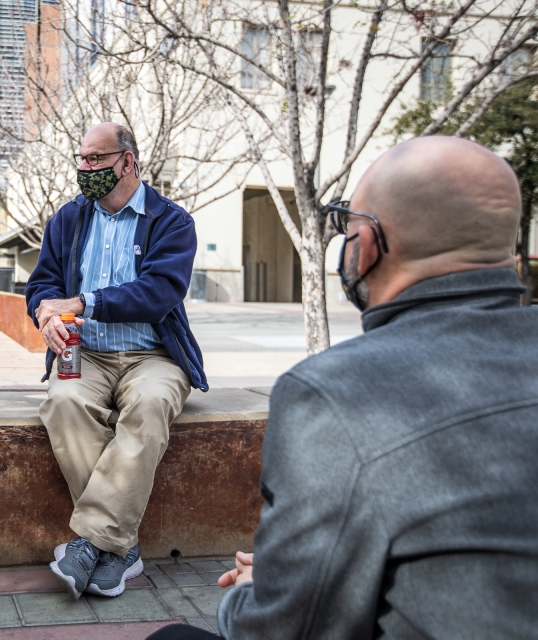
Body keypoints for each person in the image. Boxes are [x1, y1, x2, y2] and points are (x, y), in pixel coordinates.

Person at [148, 136, 538, 640]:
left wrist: (252, 586)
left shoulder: (334, 393)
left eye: (348, 225)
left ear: (370, 243)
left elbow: (281, 630)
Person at [25, 122, 208, 600]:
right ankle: (121, 548)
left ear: (128, 161)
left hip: (154, 354)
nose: (85, 170)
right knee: (63, 401)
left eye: (96, 160)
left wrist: (84, 302)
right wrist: (46, 315)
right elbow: (42, 285)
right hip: (85, 355)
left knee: (149, 405)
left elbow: (159, 293)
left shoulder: (171, 221)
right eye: (81, 160)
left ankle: (93, 542)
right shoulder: (68, 219)